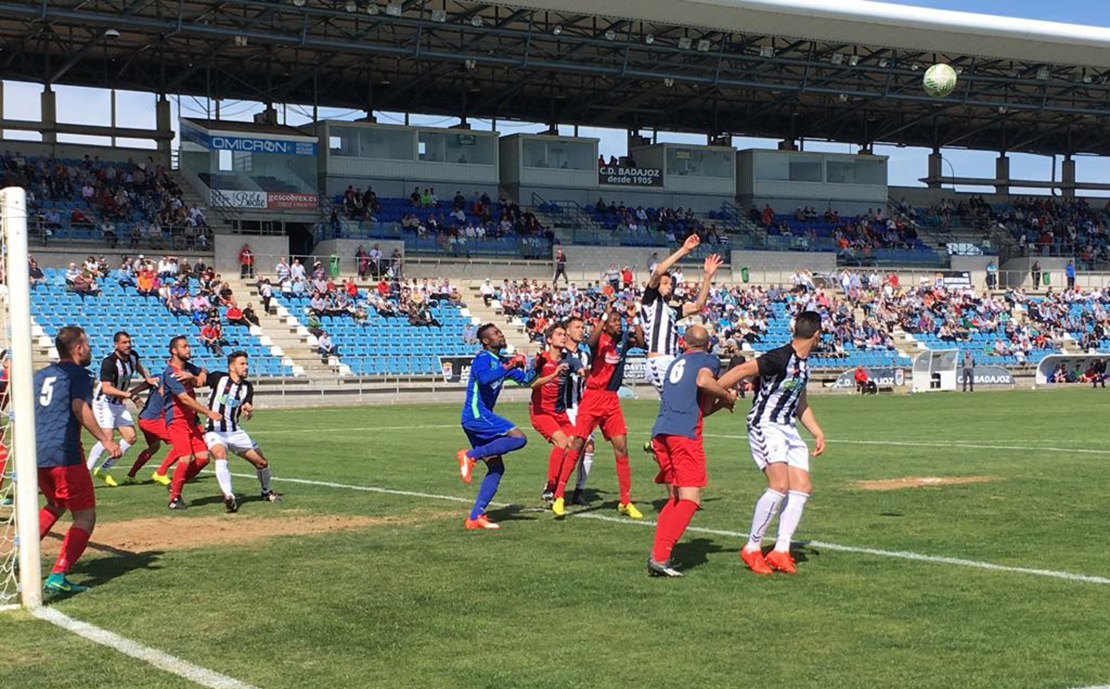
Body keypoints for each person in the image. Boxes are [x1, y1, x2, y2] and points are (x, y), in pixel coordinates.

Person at [718, 311, 826, 576]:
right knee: (779, 486)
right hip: (765, 425)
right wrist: (716, 392)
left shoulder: (804, 364)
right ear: (816, 334)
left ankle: (780, 550)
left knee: (801, 486)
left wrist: (817, 432)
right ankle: (753, 548)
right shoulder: (780, 357)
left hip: (788, 428)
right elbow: (742, 369)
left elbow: (800, 403)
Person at [34, 326, 122, 593]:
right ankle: (58, 575)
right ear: (78, 348)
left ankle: (25, 556)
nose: (90, 349)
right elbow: (78, 407)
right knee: (85, 516)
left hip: (37, 454)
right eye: (87, 344)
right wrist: (105, 440)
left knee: (54, 504)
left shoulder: (39, 376)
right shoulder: (79, 374)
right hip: (65, 453)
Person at [647, 325, 736, 577]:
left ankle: (658, 554)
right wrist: (727, 397)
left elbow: (701, 406)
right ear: (708, 345)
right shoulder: (708, 360)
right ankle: (661, 558)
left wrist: (719, 404)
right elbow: (704, 381)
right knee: (690, 500)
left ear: (683, 343)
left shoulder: (677, 363)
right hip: (684, 435)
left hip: (662, 432)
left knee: (675, 498)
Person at [555, 299, 646, 519]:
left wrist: (635, 318)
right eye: (615, 321)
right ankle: (559, 495)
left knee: (622, 447)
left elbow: (642, 343)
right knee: (578, 443)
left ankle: (625, 500)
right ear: (605, 324)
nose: (619, 324)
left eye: (620, 321)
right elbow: (592, 339)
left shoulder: (623, 339)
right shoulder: (599, 340)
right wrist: (604, 315)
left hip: (611, 400)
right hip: (593, 398)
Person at [454, 324, 533, 530]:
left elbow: (526, 380)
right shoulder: (483, 358)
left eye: (500, 332)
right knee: (518, 438)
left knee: (496, 468)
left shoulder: (501, 361)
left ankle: (474, 518)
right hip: (476, 415)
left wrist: (539, 365)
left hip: (479, 419)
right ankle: (470, 455)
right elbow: (484, 377)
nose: (501, 335)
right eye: (495, 334)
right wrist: (508, 366)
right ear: (486, 342)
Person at [204, 352, 282, 513]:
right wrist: (198, 374)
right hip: (215, 430)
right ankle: (229, 495)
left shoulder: (247, 387)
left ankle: (266, 492)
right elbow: (198, 380)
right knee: (220, 455)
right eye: (242, 364)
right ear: (232, 367)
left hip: (235, 431)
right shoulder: (219, 378)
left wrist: (248, 411)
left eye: (246, 363)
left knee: (262, 463)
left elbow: (247, 409)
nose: (246, 367)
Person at [85, 331, 159, 486]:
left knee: (131, 437)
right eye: (124, 342)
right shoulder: (109, 362)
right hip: (104, 402)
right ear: (116, 344)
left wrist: (147, 377)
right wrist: (130, 395)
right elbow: (106, 388)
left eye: (129, 342)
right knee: (107, 437)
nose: (128, 345)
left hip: (118, 402)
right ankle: (85, 473)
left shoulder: (133, 356)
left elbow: (138, 365)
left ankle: (104, 470)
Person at [162, 336, 223, 510]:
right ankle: (174, 499)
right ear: (174, 351)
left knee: (203, 458)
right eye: (184, 347)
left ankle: (175, 483)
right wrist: (208, 412)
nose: (188, 349)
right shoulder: (171, 372)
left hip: (191, 420)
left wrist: (199, 374)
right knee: (185, 457)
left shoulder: (187, 367)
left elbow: (203, 372)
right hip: (177, 420)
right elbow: (184, 399)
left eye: (188, 346)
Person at [529, 324, 583, 516]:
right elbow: (532, 383)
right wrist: (553, 374)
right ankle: (551, 486)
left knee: (576, 443)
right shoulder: (541, 359)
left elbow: (579, 368)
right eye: (559, 334)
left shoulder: (569, 359)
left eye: (564, 334)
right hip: (541, 411)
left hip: (560, 413)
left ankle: (558, 486)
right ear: (549, 340)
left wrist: (584, 372)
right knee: (561, 441)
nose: (563, 337)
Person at [125, 358, 206, 486]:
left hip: (144, 419)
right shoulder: (170, 378)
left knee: (154, 447)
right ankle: (161, 472)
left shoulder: (159, 377)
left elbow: (138, 388)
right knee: (181, 444)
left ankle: (131, 475)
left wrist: (133, 396)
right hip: (154, 420)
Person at [561, 316, 595, 506]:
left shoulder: (586, 355)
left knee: (588, 447)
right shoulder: (561, 353)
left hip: (582, 408)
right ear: (567, 331)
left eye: (583, 327)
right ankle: (553, 486)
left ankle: (578, 491)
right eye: (577, 327)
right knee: (570, 446)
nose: (581, 330)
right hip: (565, 408)